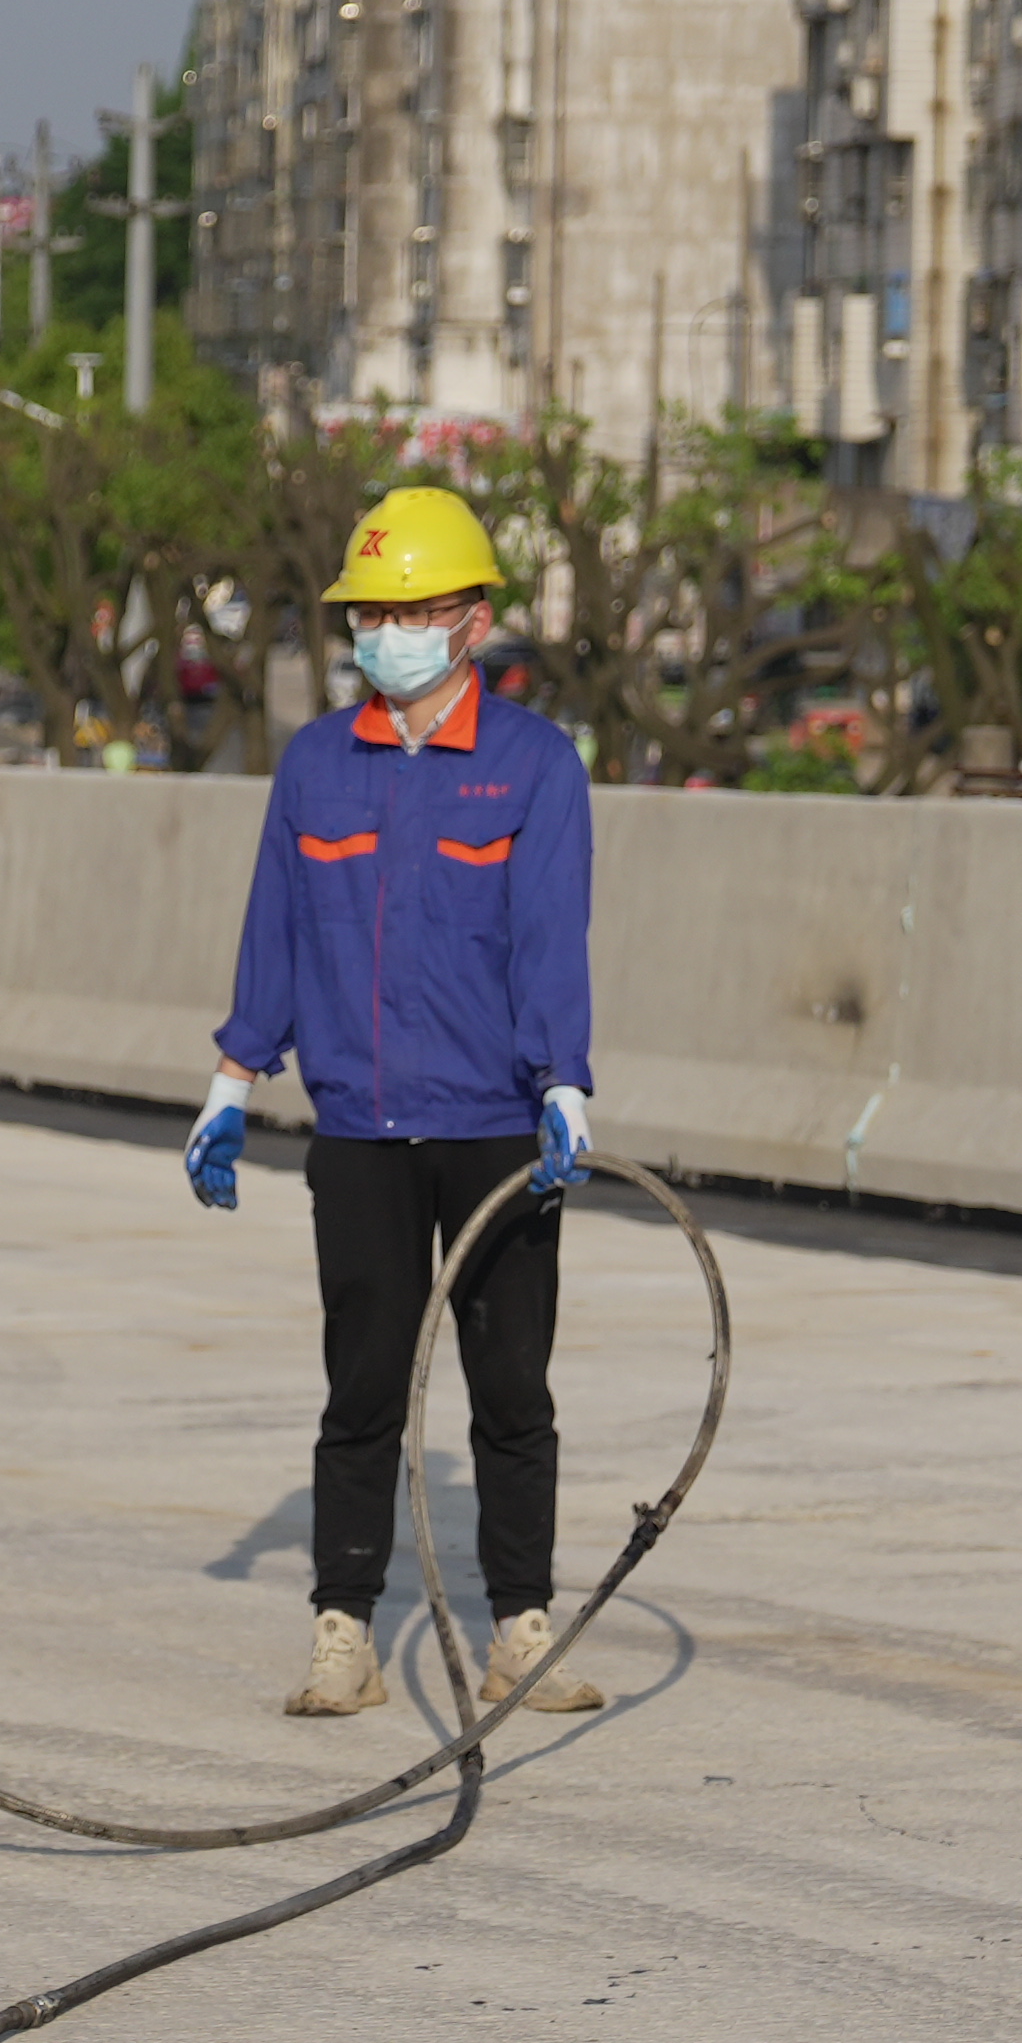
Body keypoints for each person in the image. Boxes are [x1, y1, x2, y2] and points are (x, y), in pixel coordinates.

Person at [188, 482, 608, 1727]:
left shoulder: (532, 767)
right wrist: (229, 1081)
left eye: (409, 609)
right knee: (362, 1389)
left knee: (512, 1390)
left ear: (472, 620)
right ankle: (344, 1631)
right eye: (370, 612)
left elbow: (550, 942)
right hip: (361, 1131)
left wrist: (566, 1086)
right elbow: (276, 934)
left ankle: (520, 1629)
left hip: (491, 1126)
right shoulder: (317, 767)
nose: (384, 632)